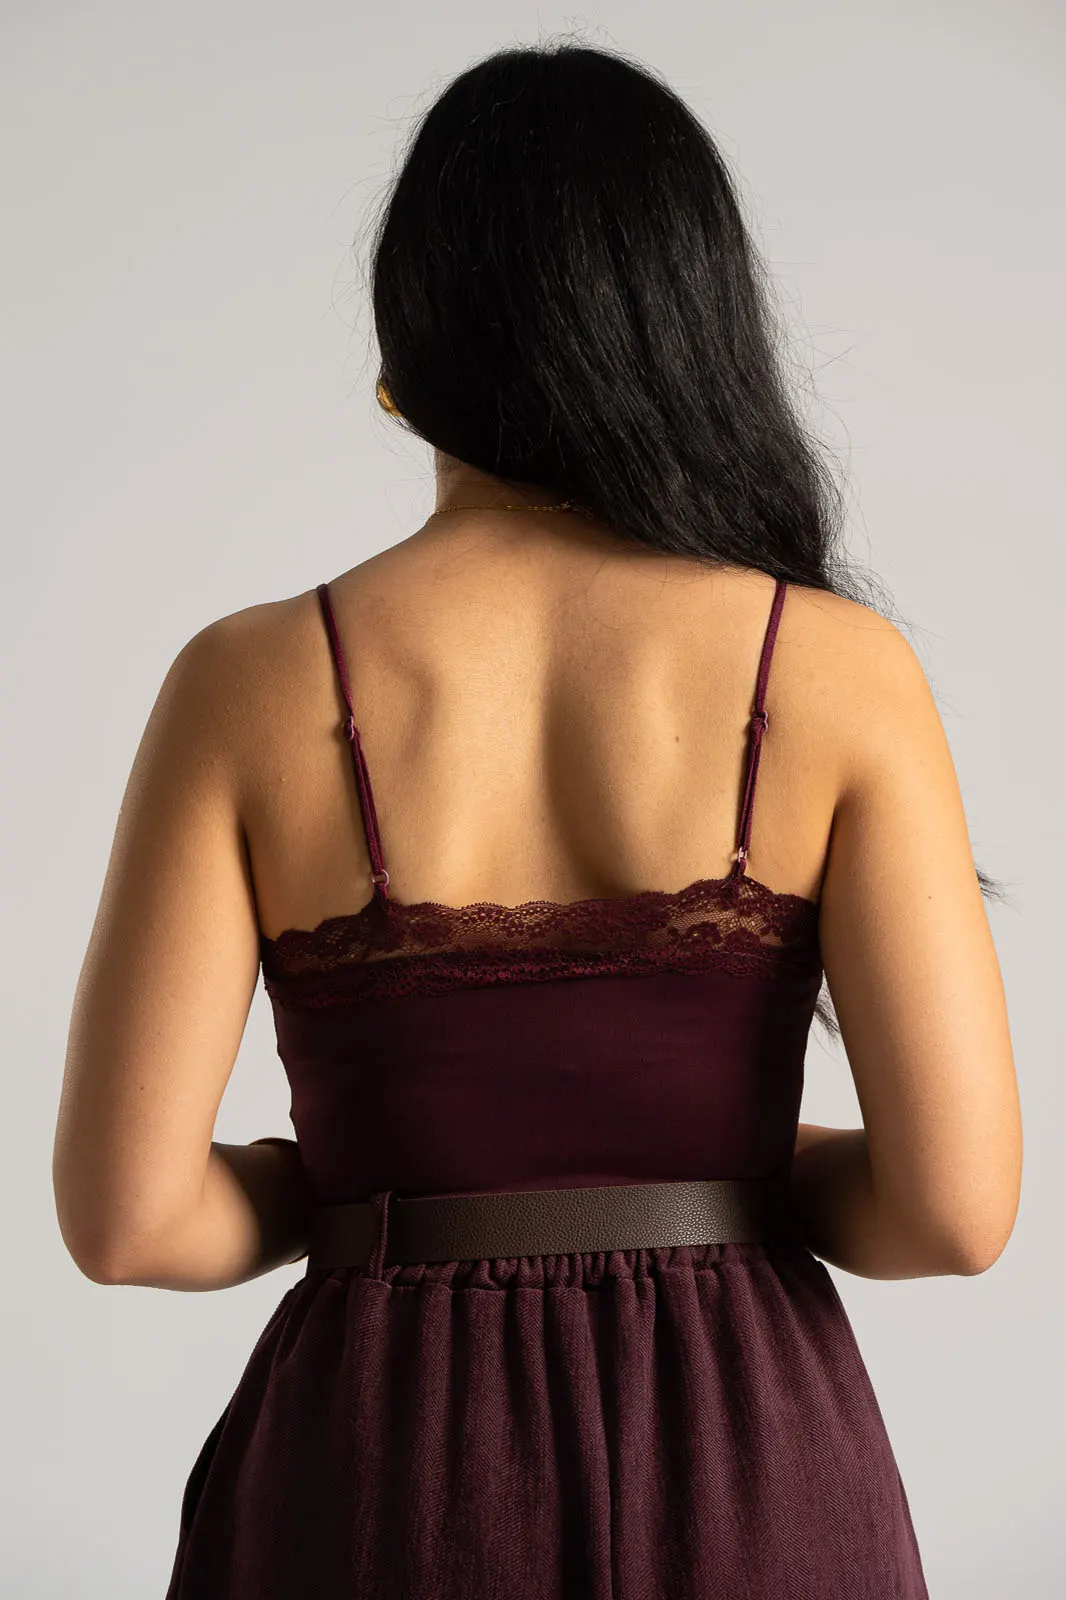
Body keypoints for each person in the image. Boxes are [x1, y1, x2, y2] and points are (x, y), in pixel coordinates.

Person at [54, 39, 1021, 1600]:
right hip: (749, 1462)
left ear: (408, 350)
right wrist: (708, 1167)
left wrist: (361, 1176)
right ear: (693, 327)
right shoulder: (835, 672)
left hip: (374, 1472)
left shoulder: (246, 683)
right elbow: (950, 1213)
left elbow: (132, 1221)